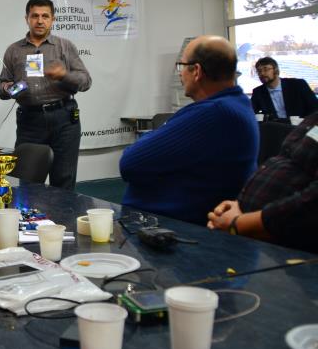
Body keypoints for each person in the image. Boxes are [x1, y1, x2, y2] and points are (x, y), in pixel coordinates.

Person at [120, 35, 259, 224]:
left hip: (168, 229)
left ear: (197, 71)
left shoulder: (214, 113)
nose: (180, 73)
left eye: (182, 66)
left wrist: (155, 135)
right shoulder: (236, 104)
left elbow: (130, 162)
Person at [0, 0, 92, 190]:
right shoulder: (14, 50)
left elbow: (85, 81)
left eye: (45, 16)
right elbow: (0, 87)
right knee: (25, 180)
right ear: (27, 19)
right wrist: (8, 88)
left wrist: (64, 75)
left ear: (53, 19)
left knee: (63, 180)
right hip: (29, 121)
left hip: (64, 118)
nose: (40, 21)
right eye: (35, 16)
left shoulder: (65, 46)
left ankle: (62, 212)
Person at [207, 111, 317, 253]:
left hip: (289, 250)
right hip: (254, 235)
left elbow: (312, 203)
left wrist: (238, 223)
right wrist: (239, 206)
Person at [250, 56, 318, 121]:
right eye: (259, 71)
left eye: (266, 69)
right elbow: (250, 112)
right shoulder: (258, 92)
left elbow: (315, 108)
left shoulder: (298, 84)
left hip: (300, 126)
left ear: (276, 70)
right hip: (274, 127)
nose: (262, 73)